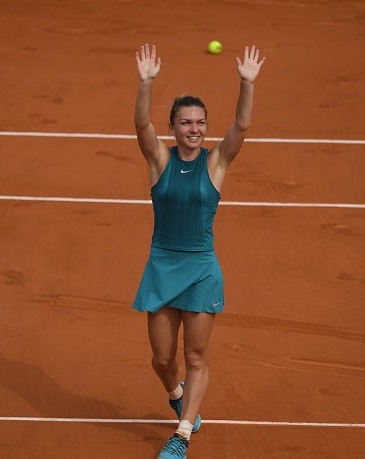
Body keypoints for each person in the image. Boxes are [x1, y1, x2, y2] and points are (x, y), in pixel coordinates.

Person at [131, 43, 265, 459]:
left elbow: (240, 127)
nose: (194, 129)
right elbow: (140, 125)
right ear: (172, 127)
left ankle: (182, 434)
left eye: (201, 123)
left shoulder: (217, 163)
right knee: (160, 359)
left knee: (195, 356)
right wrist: (146, 83)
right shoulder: (159, 159)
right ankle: (176, 395)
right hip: (162, 266)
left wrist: (246, 84)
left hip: (202, 270)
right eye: (186, 122)